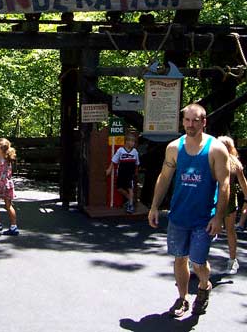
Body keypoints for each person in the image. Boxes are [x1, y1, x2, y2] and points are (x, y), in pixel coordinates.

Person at [148, 103, 230, 318]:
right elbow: (164, 177)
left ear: (204, 122)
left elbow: (224, 184)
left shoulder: (216, 149)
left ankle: (204, 286)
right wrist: (154, 206)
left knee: (198, 261)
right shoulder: (174, 148)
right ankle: (182, 298)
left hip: (204, 218)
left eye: (195, 120)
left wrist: (219, 217)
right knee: (179, 258)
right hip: (178, 216)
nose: (191, 124)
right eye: (187, 120)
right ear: (182, 121)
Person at [217, 136, 247, 274]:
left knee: (229, 229)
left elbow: (242, 182)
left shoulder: (234, 163)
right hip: (214, 196)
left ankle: (233, 260)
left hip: (229, 197)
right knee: (204, 229)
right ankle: (197, 261)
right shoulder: (212, 160)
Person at [106, 133, 140, 213]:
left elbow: (137, 163)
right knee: (119, 188)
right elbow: (114, 161)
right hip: (121, 173)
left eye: (134, 142)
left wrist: (136, 172)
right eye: (131, 142)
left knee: (130, 188)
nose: (132, 143)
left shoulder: (135, 151)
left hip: (130, 174)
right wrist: (109, 169)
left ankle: (130, 205)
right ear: (126, 142)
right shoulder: (120, 150)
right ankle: (130, 199)